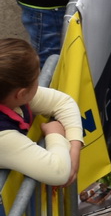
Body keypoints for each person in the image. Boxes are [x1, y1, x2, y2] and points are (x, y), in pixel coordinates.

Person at [0, 38, 83, 186]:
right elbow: (58, 172)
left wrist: (75, 146)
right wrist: (55, 134)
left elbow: (63, 102)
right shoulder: (3, 137)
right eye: (36, 79)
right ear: (22, 93)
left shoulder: (8, 95)